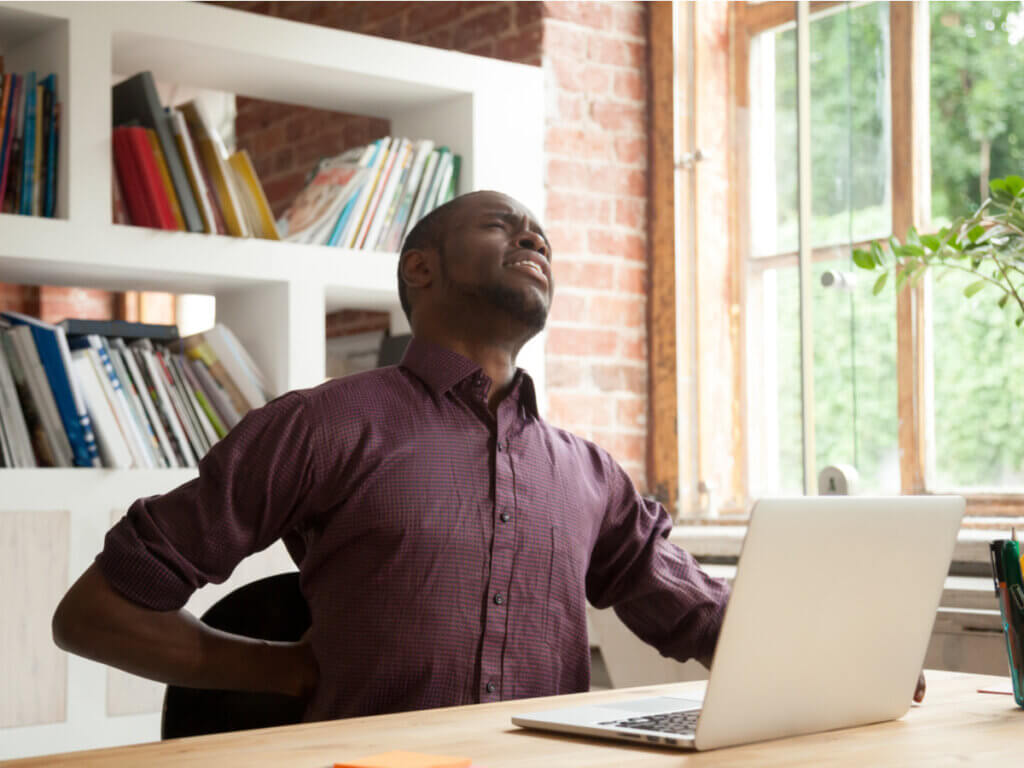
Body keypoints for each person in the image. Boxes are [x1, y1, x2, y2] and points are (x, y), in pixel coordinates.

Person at [50, 189, 921, 721]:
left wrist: (846, 660)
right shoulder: (317, 428)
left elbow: (700, 616)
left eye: (542, 233)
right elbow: (94, 614)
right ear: (420, 271)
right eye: (505, 226)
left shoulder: (589, 474)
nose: (535, 238)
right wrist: (279, 668)